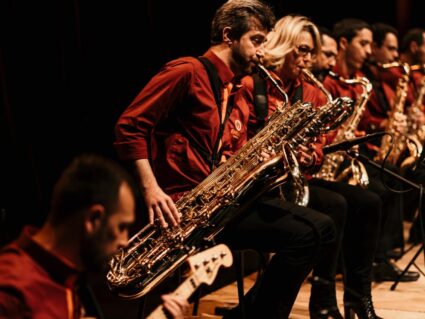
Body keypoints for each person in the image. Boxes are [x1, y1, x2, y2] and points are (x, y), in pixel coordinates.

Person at [114, 1, 336, 318]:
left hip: (219, 205)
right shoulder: (187, 72)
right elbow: (130, 126)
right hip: (184, 208)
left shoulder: (231, 87)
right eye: (257, 41)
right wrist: (151, 189)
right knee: (308, 232)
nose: (262, 53)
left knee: (321, 228)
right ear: (229, 35)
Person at [241, 15, 381, 319]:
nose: (308, 59)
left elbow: (318, 147)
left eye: (310, 52)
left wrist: (310, 155)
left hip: (295, 179)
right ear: (284, 45)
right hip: (261, 185)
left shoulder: (312, 92)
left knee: (369, 201)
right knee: (336, 205)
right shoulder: (254, 85)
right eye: (301, 50)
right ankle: (323, 299)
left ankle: (359, 299)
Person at [358, 22, 420, 282]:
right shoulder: (363, 80)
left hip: (378, 148)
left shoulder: (383, 82)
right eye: (391, 49)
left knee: (396, 174)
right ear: (375, 48)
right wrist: (380, 125)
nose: (395, 55)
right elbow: (365, 120)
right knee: (388, 180)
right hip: (363, 151)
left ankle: (387, 253)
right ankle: (380, 256)